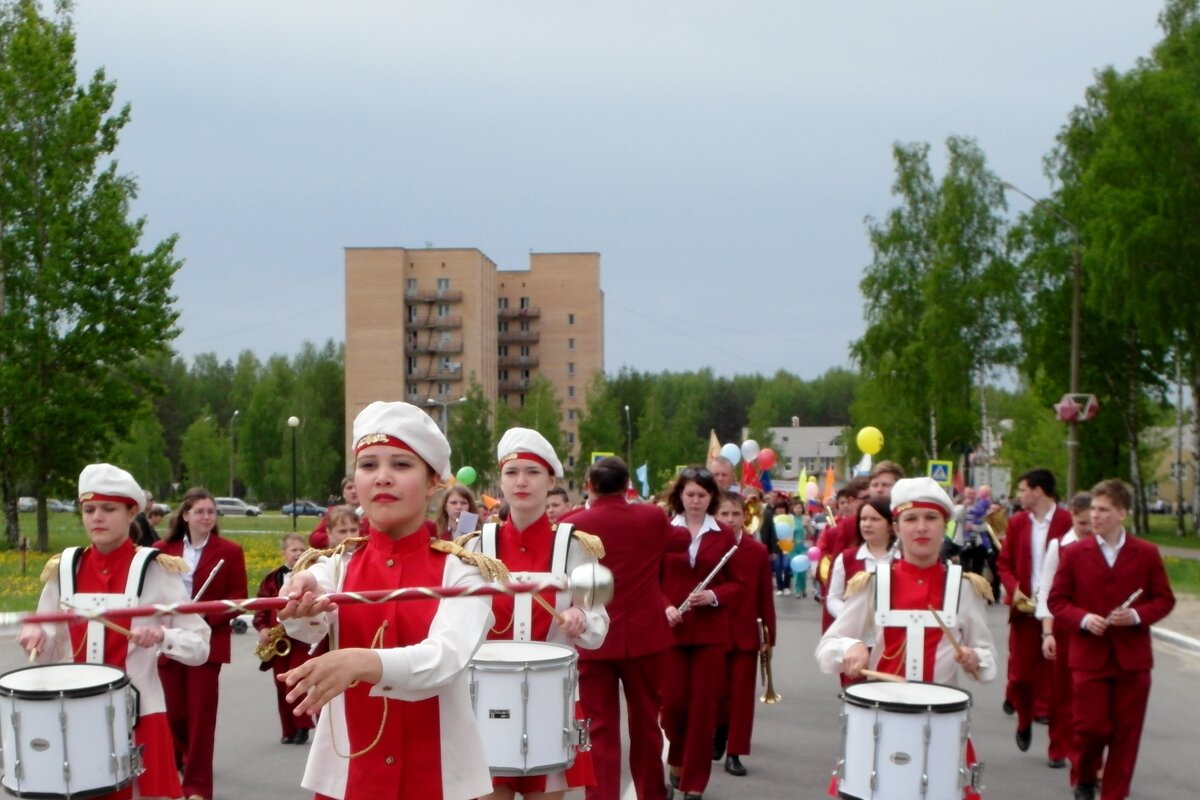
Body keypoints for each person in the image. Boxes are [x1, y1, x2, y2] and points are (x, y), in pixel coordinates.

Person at [277, 400, 507, 800]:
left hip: (438, 778)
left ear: (435, 480)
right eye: (368, 466)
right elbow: (307, 621)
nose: (382, 477)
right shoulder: (336, 565)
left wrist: (361, 662)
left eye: (401, 465)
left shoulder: (464, 570)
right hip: (349, 776)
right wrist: (299, 599)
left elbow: (444, 660)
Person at [19, 464, 211, 800]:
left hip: (140, 716)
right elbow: (47, 648)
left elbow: (199, 647)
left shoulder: (156, 569)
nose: (97, 518)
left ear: (132, 512)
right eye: (89, 509)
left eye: (109, 509)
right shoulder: (64, 569)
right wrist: (37, 639)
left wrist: (163, 637)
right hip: (73, 716)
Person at [816, 477, 995, 799]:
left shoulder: (964, 587)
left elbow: (987, 659)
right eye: (911, 519)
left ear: (945, 526)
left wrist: (973, 658)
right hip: (881, 724)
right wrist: (851, 645)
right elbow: (827, 649)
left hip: (941, 726)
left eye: (931, 518)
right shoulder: (874, 582)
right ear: (897, 528)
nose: (921, 528)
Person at [462, 427, 609, 800]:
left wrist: (581, 619)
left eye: (532, 472)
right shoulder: (477, 546)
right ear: (501, 482)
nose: (521, 481)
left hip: (550, 700)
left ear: (551, 482)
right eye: (512, 473)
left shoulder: (577, 547)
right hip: (487, 698)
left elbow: (599, 624)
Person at [564, 457, 688, 800]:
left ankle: (602, 795)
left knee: (599, 728)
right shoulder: (650, 517)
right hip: (645, 636)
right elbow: (680, 541)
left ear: (589, 484)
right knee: (646, 723)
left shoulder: (573, 523)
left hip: (594, 637)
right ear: (627, 484)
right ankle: (650, 792)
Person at [1048, 479, 1176, 800]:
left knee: (1126, 735)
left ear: (1122, 513)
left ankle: (1114, 794)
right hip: (1089, 658)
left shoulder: (1146, 553)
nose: (1095, 516)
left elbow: (1164, 599)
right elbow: (1057, 601)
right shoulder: (1075, 553)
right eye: (1093, 509)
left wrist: (1135, 616)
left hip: (1132, 661)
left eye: (1103, 510)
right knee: (1092, 728)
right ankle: (1086, 775)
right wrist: (1083, 618)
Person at [155, 487, 249, 800]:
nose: (207, 517)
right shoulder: (161, 550)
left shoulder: (230, 551)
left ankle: (196, 787)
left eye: (211, 511)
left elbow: (239, 597)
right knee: (174, 714)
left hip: (207, 640)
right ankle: (178, 764)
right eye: (200, 512)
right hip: (168, 640)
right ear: (185, 516)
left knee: (200, 719)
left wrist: (206, 617)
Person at [661, 466, 742, 800]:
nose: (695, 501)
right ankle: (676, 765)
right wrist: (664, 606)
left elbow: (739, 584)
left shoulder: (723, 534)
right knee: (672, 707)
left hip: (709, 633)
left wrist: (714, 595)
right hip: (672, 630)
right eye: (690, 494)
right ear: (680, 494)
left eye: (702, 495)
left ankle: (695, 785)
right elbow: (650, 578)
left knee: (703, 709)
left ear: (712, 498)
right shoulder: (664, 529)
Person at [996, 468, 1074, 761]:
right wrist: (1014, 589)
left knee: (1057, 682)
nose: (1019, 495)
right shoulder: (1017, 523)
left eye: (1023, 489)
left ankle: (1057, 748)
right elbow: (1004, 562)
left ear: (1038, 491)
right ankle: (1024, 720)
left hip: (1057, 611)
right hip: (1024, 610)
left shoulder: (1067, 522)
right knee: (1020, 678)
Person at [712, 491, 775, 778]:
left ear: (744, 516)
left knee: (741, 697)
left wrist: (769, 635)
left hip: (745, 634)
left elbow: (765, 595)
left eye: (735, 514)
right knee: (716, 693)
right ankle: (718, 733)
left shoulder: (756, 551)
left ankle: (735, 752)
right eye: (724, 514)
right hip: (712, 632)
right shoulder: (707, 547)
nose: (730, 520)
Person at [1035, 493, 1093, 783]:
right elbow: (1046, 591)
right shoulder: (1060, 546)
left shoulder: (1106, 547)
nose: (1088, 530)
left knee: (1090, 698)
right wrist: (1047, 632)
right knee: (1062, 693)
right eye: (1082, 524)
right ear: (1072, 516)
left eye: (1092, 524)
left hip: (1096, 630)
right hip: (1064, 627)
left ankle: (1086, 757)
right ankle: (1058, 746)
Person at [254, 532, 323, 745]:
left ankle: (303, 727)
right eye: (294, 550)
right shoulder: (273, 577)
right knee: (281, 684)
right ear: (283, 553)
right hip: (280, 640)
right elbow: (262, 605)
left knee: (297, 682)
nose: (298, 554)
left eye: (302, 550)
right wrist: (263, 628)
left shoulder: (312, 575)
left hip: (302, 639)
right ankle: (289, 729)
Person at [824, 497, 897, 622]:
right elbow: (833, 598)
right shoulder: (846, 558)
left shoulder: (904, 557)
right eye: (863, 519)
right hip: (855, 635)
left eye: (875, 519)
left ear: (891, 525)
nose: (867, 524)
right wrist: (849, 615)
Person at [309, 475, 368, 548]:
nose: (354, 491)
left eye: (357, 487)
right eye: (349, 488)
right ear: (343, 493)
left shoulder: (373, 515)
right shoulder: (333, 512)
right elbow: (314, 538)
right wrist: (335, 540)